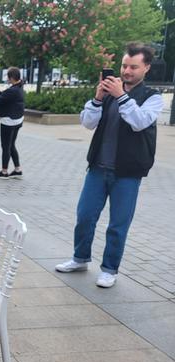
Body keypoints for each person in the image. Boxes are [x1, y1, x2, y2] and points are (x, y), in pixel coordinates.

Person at [55, 43, 164, 288]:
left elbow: (139, 121)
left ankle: (109, 269)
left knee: (118, 224)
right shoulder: (109, 93)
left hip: (127, 174)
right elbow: (87, 123)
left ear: (146, 68)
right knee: (84, 216)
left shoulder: (153, 98)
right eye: (124, 65)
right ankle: (80, 258)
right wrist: (97, 97)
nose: (127, 71)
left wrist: (121, 96)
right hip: (98, 168)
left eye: (133, 67)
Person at [0, 67, 25, 179]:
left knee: (5, 146)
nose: (7, 79)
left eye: (8, 77)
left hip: (9, 122)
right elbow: (4, 97)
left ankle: (4, 171)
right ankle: (17, 169)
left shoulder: (13, 90)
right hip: (17, 120)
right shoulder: (18, 88)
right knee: (11, 145)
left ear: (12, 78)